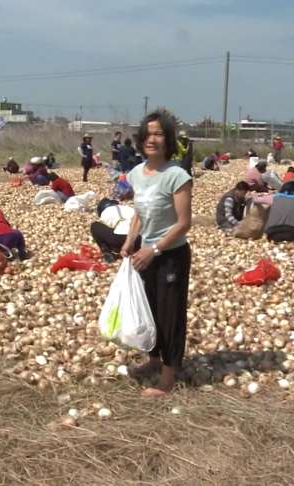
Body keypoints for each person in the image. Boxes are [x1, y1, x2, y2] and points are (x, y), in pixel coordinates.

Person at [122, 109, 193, 397]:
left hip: (170, 254)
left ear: (169, 140)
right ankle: (152, 359)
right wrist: (130, 241)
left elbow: (183, 223)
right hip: (145, 252)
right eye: (148, 134)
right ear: (141, 139)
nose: (153, 139)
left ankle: (167, 377)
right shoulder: (136, 174)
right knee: (148, 309)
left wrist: (154, 249)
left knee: (169, 314)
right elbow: (139, 212)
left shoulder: (177, 175)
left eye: (159, 134)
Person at [90, 182, 137, 262]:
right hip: (140, 240)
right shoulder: (128, 208)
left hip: (123, 240)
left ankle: (107, 252)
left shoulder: (106, 212)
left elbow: (107, 228)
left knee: (95, 226)